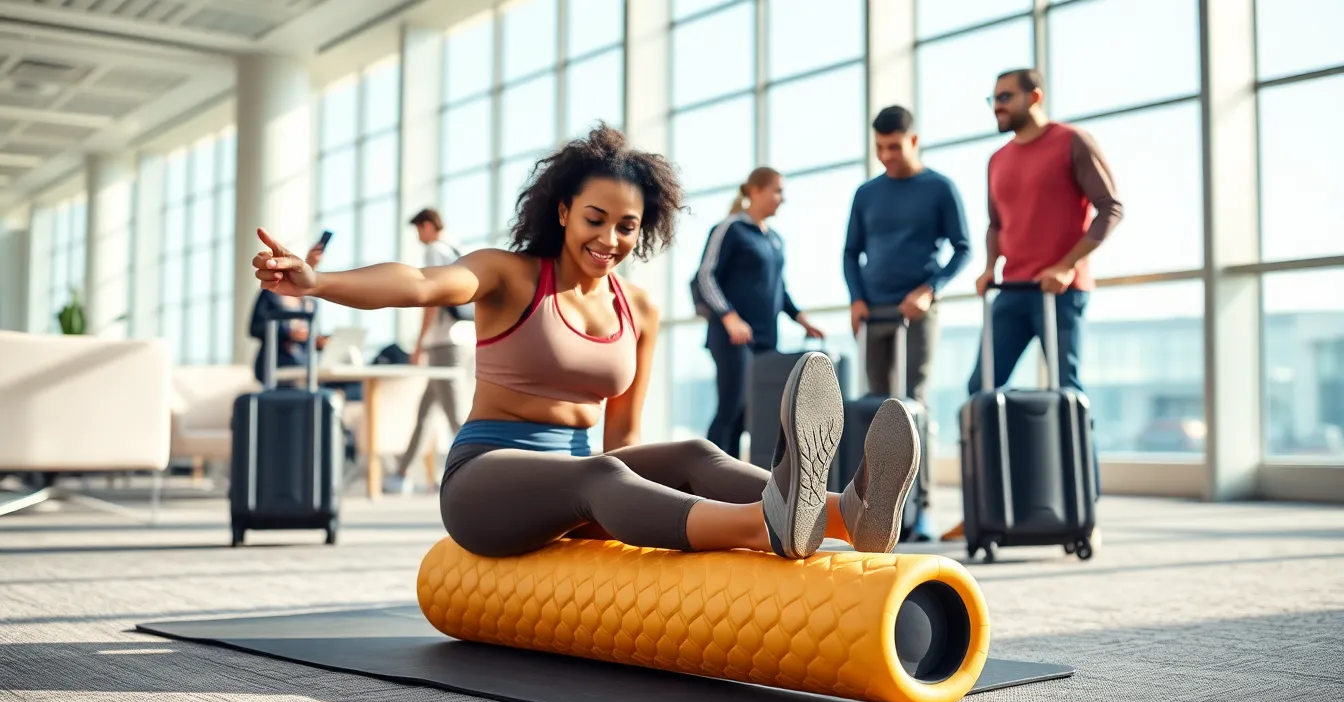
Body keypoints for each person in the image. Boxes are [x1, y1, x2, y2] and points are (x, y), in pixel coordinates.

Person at [248, 124, 923, 560]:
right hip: (486, 485)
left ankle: (848, 513)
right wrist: (318, 282)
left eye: (627, 227)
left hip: (582, 487)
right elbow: (420, 283)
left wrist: (644, 505)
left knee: (690, 452)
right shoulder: (509, 275)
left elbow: (621, 438)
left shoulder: (639, 308)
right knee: (599, 476)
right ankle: (766, 525)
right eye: (595, 219)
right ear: (564, 210)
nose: (610, 239)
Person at [945, 68, 1122, 541]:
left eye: (1005, 96)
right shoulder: (997, 159)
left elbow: (1110, 208)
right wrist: (990, 266)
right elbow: (995, 224)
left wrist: (1065, 266)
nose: (997, 106)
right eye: (993, 98)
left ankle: (1084, 509)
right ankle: (985, 506)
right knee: (980, 389)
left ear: (1035, 96)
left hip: (1060, 292)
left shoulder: (1071, 142)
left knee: (1067, 393)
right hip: (1014, 290)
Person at [843, 105, 971, 542]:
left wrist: (930, 289)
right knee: (876, 408)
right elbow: (851, 252)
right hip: (873, 312)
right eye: (879, 147)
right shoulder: (866, 193)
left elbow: (963, 248)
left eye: (894, 147)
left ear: (913, 141)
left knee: (913, 403)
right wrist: (856, 297)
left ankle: (922, 508)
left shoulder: (939, 188)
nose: (886, 156)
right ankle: (876, 507)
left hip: (916, 312)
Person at [692, 167, 825, 460]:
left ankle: (740, 477)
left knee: (755, 414)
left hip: (767, 340)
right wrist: (729, 316)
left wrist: (801, 318)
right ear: (755, 191)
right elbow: (705, 276)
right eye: (777, 191)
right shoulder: (730, 228)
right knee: (732, 408)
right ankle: (706, 475)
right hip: (733, 338)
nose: (782, 199)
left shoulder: (775, 239)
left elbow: (778, 288)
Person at [383, 207, 474, 495]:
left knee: (455, 414)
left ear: (427, 226)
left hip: (444, 342)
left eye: (418, 230)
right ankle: (402, 472)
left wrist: (419, 342)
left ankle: (479, 469)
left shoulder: (435, 250)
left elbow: (430, 298)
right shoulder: (458, 249)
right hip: (462, 338)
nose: (418, 238)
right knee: (426, 411)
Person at [248, 236, 329, 386]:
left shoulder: (310, 302)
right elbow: (255, 328)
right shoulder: (270, 293)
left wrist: (317, 341)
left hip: (303, 365)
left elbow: (309, 336)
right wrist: (288, 333)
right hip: (274, 364)